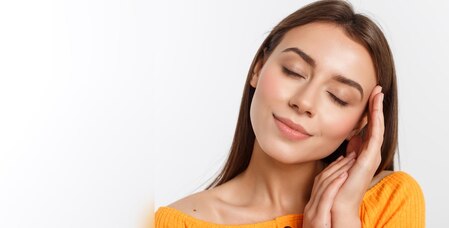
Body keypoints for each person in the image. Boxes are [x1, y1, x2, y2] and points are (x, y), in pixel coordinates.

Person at [155, 1, 425, 227]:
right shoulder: (178, 222)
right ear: (258, 68)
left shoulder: (390, 200)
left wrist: (344, 215)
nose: (304, 102)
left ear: (360, 123)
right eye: (293, 71)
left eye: (337, 97)